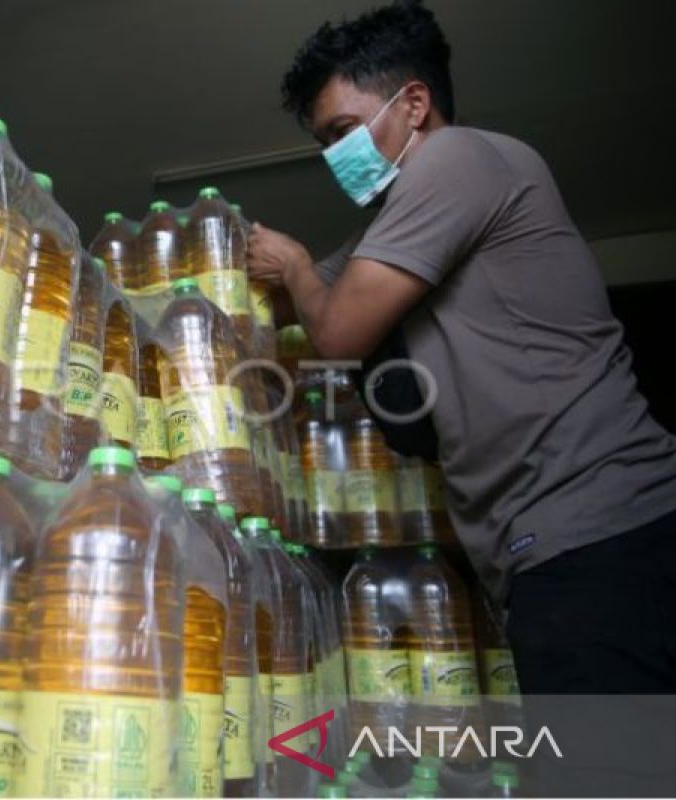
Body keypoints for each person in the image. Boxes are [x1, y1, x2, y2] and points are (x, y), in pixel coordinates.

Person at [247, 0, 676, 699]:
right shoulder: (408, 219)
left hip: (596, 536)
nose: (335, 157)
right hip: (568, 544)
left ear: (413, 103)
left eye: (344, 131)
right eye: (324, 141)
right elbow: (309, 296)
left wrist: (292, 266)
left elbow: (336, 329)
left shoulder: (457, 159)